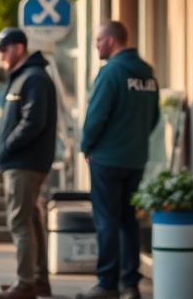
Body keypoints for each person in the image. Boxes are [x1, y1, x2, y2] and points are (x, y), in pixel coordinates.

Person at [76, 21, 159, 299]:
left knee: (107, 221)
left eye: (98, 40)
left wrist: (86, 146)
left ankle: (107, 284)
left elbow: (95, 116)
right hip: (135, 159)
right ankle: (130, 284)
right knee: (128, 221)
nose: (96, 46)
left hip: (107, 159)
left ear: (111, 41)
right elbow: (154, 118)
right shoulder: (148, 75)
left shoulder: (111, 73)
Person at [0, 27, 58, 299]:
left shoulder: (33, 78)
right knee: (31, 220)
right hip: (24, 161)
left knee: (19, 223)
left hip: (25, 163)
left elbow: (34, 121)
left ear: (19, 48)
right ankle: (38, 280)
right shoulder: (24, 77)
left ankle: (25, 284)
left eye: (4, 50)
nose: (1, 56)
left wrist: (8, 145)